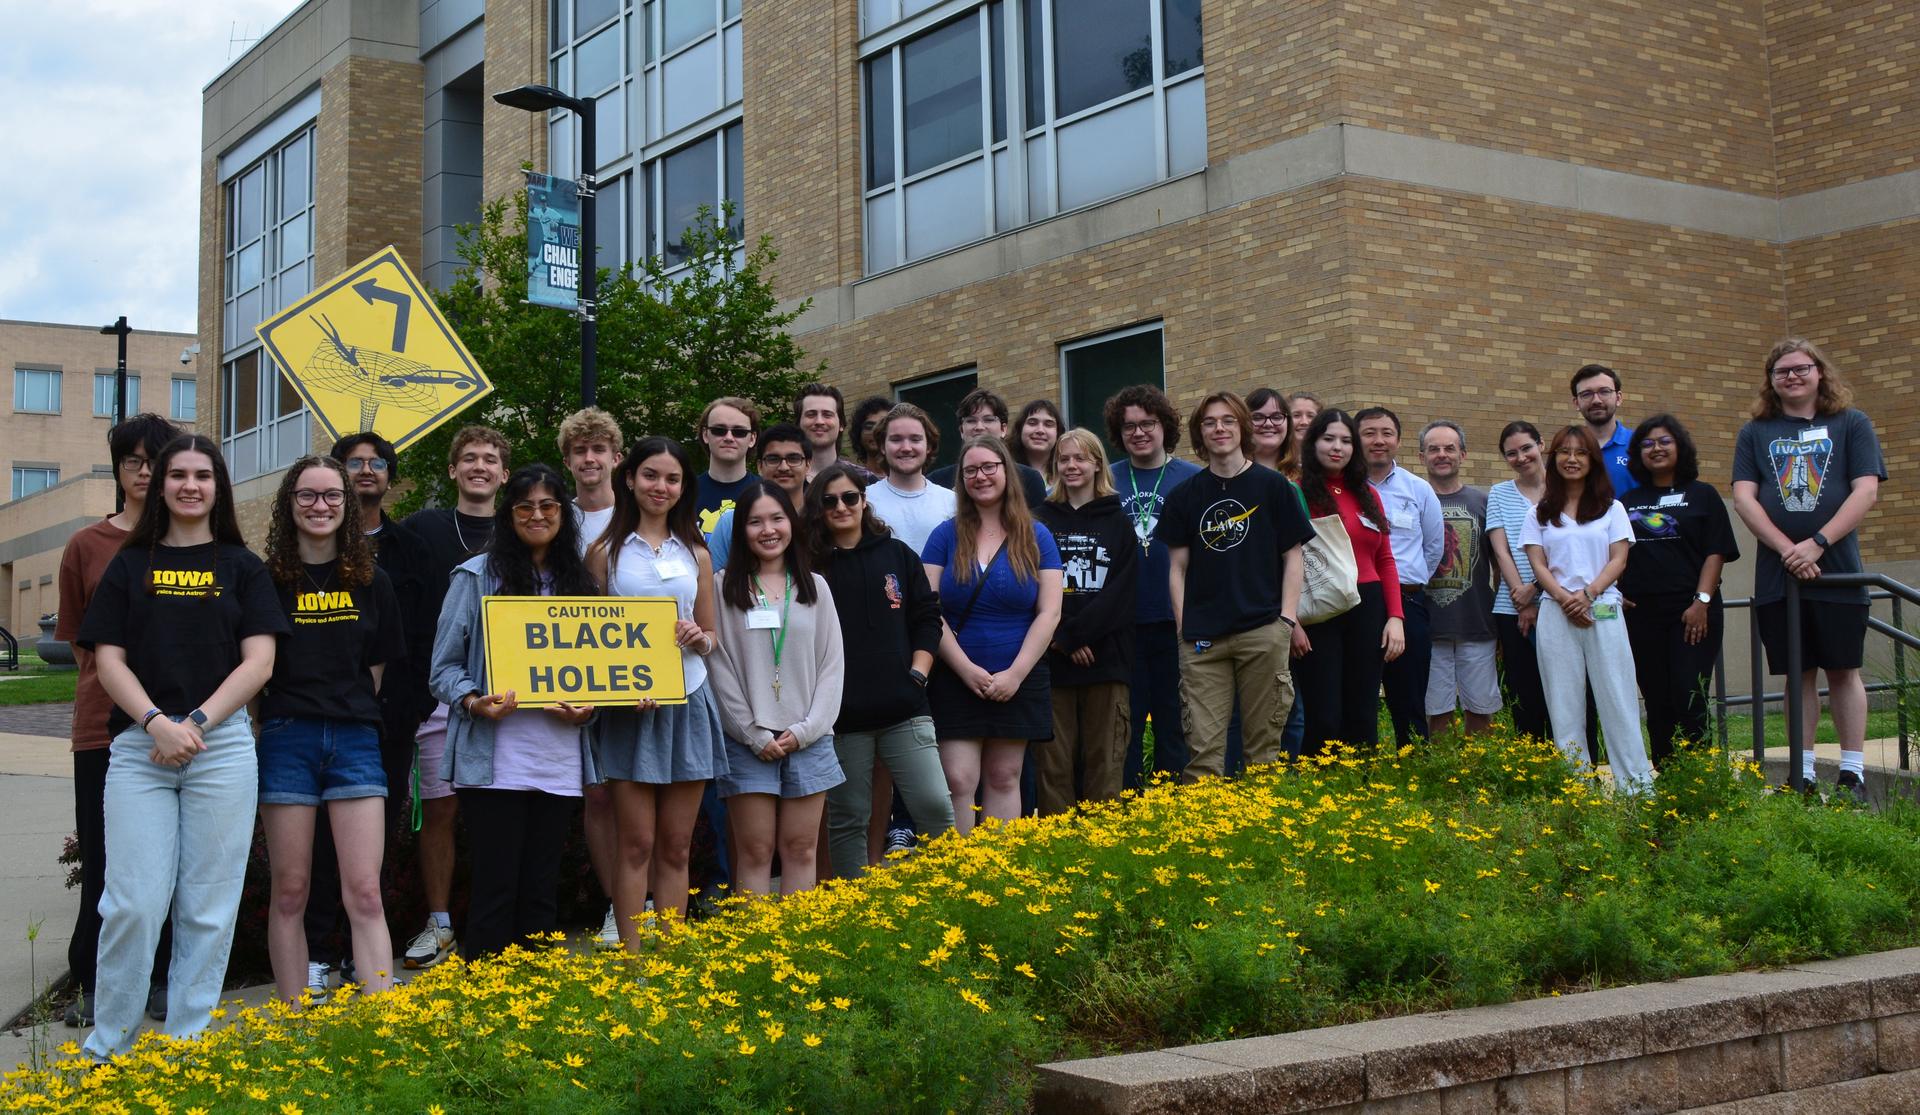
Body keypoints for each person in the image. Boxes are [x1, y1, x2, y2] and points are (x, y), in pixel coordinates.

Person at [76, 435, 285, 1059]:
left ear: (218, 487)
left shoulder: (243, 568)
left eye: (202, 475)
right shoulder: (127, 564)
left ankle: (187, 1041)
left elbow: (261, 660)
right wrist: (155, 724)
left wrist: (193, 721)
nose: (189, 485)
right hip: (141, 751)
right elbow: (107, 659)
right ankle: (109, 1043)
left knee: (209, 906)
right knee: (133, 904)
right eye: (177, 475)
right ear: (159, 485)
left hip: (219, 750)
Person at [428, 464, 598, 957]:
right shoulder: (476, 576)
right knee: (494, 890)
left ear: (564, 514)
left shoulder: (582, 584)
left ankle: (535, 1012)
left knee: (542, 892)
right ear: (508, 515)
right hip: (495, 759)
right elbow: (442, 669)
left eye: (549, 506)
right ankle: (482, 1003)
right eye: (525, 506)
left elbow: (598, 677)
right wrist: (474, 700)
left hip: (559, 759)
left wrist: (586, 712)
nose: (538, 515)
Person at [257, 456, 403, 1003]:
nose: (321, 506)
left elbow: (376, 670)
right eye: (308, 495)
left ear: (347, 504)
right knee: (290, 891)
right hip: (286, 737)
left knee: (365, 892)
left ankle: (381, 1022)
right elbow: (255, 671)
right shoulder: (264, 580)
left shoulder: (372, 580)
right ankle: (295, 1022)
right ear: (288, 504)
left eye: (332, 496)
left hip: (355, 739)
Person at [56, 413, 179, 1029]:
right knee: (106, 862)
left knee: (165, 865)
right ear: (119, 469)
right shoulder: (87, 545)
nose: (145, 472)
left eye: (155, 461)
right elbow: (80, 637)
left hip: (179, 733)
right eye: (133, 461)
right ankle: (94, 983)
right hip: (103, 728)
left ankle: (157, 979)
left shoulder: (188, 543)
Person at [585, 437, 728, 946]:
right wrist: (619, 689)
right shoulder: (603, 553)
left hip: (687, 701)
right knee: (636, 844)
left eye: (672, 478)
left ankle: (669, 959)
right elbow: (590, 636)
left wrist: (698, 636)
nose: (660, 487)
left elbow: (711, 635)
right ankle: (633, 962)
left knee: (675, 845)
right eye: (650, 475)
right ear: (629, 479)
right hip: (629, 710)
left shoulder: (696, 553)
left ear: (683, 486)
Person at [1732, 339, 1883, 797]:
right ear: (1771, 381)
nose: (1792, 377)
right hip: (1780, 577)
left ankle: (1853, 773)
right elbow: (1744, 497)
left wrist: (1817, 544)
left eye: (1801, 369)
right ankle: (1804, 774)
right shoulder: (1755, 431)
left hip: (1837, 570)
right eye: (1782, 372)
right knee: (1798, 673)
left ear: (1820, 372)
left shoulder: (1850, 423)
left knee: (1843, 669)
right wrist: (1787, 550)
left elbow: (1865, 490)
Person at [807, 464, 955, 877]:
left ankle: (954, 895)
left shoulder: (897, 554)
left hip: (905, 707)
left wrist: (918, 674)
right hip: (841, 718)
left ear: (864, 500)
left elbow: (928, 618)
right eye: (829, 500)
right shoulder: (808, 565)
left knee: (934, 806)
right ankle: (858, 909)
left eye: (849, 497)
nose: (841, 507)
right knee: (849, 817)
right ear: (817, 508)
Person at [1158, 390, 1313, 778]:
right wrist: (1182, 629)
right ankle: (1210, 833)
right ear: (1200, 434)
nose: (1219, 429)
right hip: (1202, 639)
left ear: (1242, 427)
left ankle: (1262, 835)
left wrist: (1286, 621)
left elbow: (1293, 556)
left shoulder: (1273, 487)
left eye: (1227, 420)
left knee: (1263, 752)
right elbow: (1176, 569)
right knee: (1203, 753)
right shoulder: (1184, 495)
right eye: (1209, 423)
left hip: (1263, 631)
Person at [400, 425, 509, 969]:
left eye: (490, 459)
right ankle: (439, 923)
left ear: (503, 474)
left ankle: (499, 920)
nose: (479, 467)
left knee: (499, 813)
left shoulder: (522, 530)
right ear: (452, 470)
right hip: (441, 695)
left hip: (510, 698)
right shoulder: (422, 528)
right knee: (439, 811)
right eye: (469, 458)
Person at [708, 481, 846, 895]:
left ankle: (797, 951)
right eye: (754, 522)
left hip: (810, 738)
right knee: (754, 852)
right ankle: (757, 953)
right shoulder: (720, 587)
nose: (767, 530)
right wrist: (752, 734)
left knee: (802, 849)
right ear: (740, 532)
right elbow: (718, 667)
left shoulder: (815, 587)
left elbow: (831, 667)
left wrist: (806, 730)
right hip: (748, 741)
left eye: (777, 518)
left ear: (792, 523)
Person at [922, 436, 1063, 833]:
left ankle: (997, 878)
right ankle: (959, 872)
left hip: (1018, 676)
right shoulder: (944, 536)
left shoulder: (1037, 536)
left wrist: (1015, 674)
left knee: (1004, 776)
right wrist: (965, 669)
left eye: (989, 467)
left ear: (1006, 472)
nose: (980, 476)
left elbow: (1050, 612)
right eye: (970, 470)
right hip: (955, 674)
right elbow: (929, 611)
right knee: (958, 779)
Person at [1521, 426, 1653, 792]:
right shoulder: (1539, 513)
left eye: (1581, 452)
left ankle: (1636, 788)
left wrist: (1589, 595)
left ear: (1593, 459)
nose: (1572, 459)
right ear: (1554, 458)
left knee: (1618, 699)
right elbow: (1538, 565)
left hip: (1604, 609)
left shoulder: (1613, 509)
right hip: (1555, 611)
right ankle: (1576, 789)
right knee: (1564, 706)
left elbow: (1619, 559)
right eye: (1564, 451)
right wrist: (1566, 599)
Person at [1621, 415, 1739, 766]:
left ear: (1680, 446)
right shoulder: (1627, 501)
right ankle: (1667, 773)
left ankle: (1699, 775)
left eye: (1664, 441)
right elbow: (1614, 552)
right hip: (1641, 614)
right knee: (1657, 698)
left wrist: (1701, 601)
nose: (1656, 449)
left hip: (1692, 613)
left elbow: (1716, 552)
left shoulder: (1703, 495)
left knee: (1689, 693)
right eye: (1647, 444)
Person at [1034, 429, 1137, 809]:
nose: (1072, 466)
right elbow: (1030, 586)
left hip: (1107, 659)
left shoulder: (1119, 519)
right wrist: (1062, 638)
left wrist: (1079, 635)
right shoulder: (1039, 520)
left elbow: (1123, 592)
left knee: (1105, 761)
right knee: (1053, 765)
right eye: (1064, 459)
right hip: (1052, 659)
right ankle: (1058, 849)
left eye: (1081, 458)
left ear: (1097, 464)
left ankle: (1103, 846)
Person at [1294, 409, 1404, 755]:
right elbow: (1283, 561)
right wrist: (1292, 621)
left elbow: (1385, 560)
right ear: (1313, 444)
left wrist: (1396, 618)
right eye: (1329, 439)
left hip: (1368, 604)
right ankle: (1322, 786)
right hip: (1318, 608)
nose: (1337, 447)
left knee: (1363, 702)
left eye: (1345, 440)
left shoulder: (1369, 495)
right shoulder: (1295, 493)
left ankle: (1364, 781)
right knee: (1323, 708)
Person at [1105, 385, 1200, 785]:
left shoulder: (1193, 479)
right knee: (1126, 722)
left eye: (1148, 424)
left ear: (1165, 426)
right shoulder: (1105, 480)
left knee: (1174, 718)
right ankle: (1129, 803)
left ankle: (1170, 801)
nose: (1139, 432)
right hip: (1122, 622)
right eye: (1129, 426)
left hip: (1176, 619)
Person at [558, 408, 625, 946]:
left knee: (643, 791)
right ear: (568, 460)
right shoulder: (557, 521)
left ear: (616, 457)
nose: (589, 458)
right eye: (580, 450)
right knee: (598, 797)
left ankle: (647, 900)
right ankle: (616, 903)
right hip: (578, 675)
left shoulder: (640, 513)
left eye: (598, 448)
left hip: (640, 675)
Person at [1358, 406, 1443, 747]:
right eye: (1369, 433)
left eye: (1386, 433)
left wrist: (1407, 582)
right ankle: (1360, 764)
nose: (1379, 441)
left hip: (1408, 602)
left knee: (1409, 694)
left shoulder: (1419, 489)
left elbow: (1434, 547)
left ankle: (1413, 762)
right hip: (1357, 602)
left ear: (1398, 440)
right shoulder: (1343, 489)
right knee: (1359, 690)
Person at [1419, 420, 1502, 738]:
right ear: (1422, 455)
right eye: (1434, 449)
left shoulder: (1483, 502)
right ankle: (1444, 779)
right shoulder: (1416, 499)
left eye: (1449, 448)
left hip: (1476, 624)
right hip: (1428, 626)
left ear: (1463, 454)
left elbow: (1499, 564)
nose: (1442, 454)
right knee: (1435, 712)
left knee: (1481, 710)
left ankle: (1478, 779)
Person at [1246, 387, 1309, 757]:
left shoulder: (1296, 483)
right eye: (1258, 417)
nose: (1269, 424)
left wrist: (1293, 620)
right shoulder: (1227, 478)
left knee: (1290, 707)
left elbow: (1300, 559)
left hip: (1288, 617)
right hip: (1248, 613)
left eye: (1277, 417)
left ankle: (1283, 787)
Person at [1487, 422, 1551, 742]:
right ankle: (1532, 766)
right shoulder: (1499, 493)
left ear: (1541, 444)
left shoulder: (1565, 489)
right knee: (1525, 695)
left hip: (1559, 604)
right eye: (1511, 453)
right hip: (1511, 608)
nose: (1521, 457)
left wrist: (1536, 592)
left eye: (1526, 447)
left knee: (1565, 690)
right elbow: (1502, 552)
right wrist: (1521, 600)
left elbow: (1568, 551)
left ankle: (1575, 767)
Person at [707, 423, 811, 570]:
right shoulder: (730, 522)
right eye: (773, 459)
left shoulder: (822, 516)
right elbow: (711, 584)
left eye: (793, 459)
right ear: (759, 466)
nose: (783, 467)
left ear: (808, 465)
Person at [928, 389, 1050, 509]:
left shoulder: (1029, 479)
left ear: (1003, 429)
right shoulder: (937, 481)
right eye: (971, 421)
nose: (979, 427)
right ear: (961, 431)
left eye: (988, 420)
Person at [865, 403, 958, 554]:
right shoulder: (864, 501)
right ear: (882, 446)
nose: (906, 447)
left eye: (915, 439)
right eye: (896, 439)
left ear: (928, 446)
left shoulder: (952, 502)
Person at [695, 396, 760, 535]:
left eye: (739, 432)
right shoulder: (684, 493)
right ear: (705, 434)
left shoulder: (767, 493)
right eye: (719, 430)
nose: (729, 438)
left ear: (752, 438)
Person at [1572, 364, 1635, 499]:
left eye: (1604, 392)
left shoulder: (1639, 445)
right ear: (1576, 403)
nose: (1596, 400)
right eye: (1586, 394)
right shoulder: (1566, 450)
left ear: (1618, 398)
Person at [795, 382, 879, 484]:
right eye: (811, 414)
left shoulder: (865, 479)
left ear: (841, 424)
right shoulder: (783, 478)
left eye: (827, 415)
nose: (819, 421)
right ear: (798, 424)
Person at [1014, 399, 1062, 482]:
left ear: (1058, 432)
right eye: (1032, 423)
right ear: (1020, 428)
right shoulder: (1004, 470)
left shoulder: (1067, 474)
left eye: (1048, 424)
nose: (1040, 430)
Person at [849, 395, 894, 477]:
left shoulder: (910, 478)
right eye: (869, 427)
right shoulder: (851, 479)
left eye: (883, 425)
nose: (876, 431)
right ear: (859, 434)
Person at [1284, 392, 1323, 480]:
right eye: (1296, 415)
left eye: (1310, 416)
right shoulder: (1276, 462)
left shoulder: (1326, 462)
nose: (1304, 422)